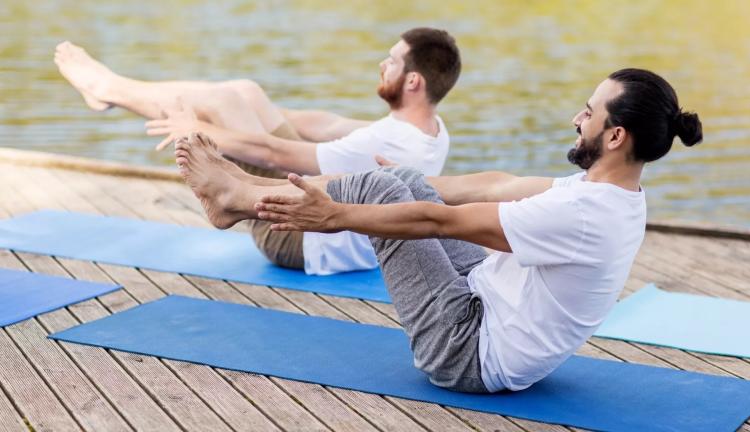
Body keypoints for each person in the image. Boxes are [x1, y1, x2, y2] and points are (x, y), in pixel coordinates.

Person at [177, 68, 702, 393]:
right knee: (398, 181)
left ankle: (238, 198)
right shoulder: (612, 194)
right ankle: (240, 191)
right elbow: (499, 183)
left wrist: (336, 215)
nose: (575, 118)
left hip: (467, 350)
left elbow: (438, 221)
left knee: (388, 192)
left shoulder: (585, 215)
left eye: (587, 114)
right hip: (486, 302)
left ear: (614, 134)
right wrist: (404, 179)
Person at [54, 27, 461, 275]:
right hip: (327, 233)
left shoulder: (385, 142)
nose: (381, 65)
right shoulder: (430, 130)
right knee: (245, 93)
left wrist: (199, 127)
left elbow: (274, 155)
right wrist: (255, 109)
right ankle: (109, 91)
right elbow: (326, 125)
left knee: (226, 103)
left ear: (412, 83)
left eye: (391, 62)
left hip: (297, 238)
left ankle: (108, 88)